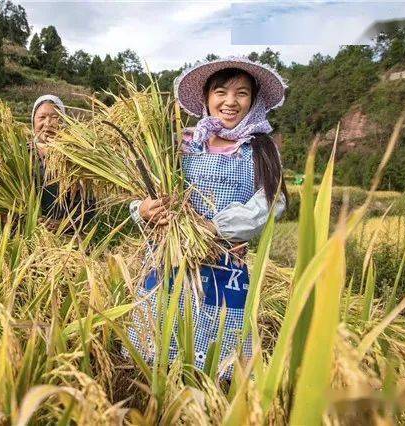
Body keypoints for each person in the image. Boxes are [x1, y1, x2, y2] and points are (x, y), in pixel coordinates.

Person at [126, 57, 288, 380]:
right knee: (157, 359)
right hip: (170, 263)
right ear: (206, 97)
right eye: (221, 92)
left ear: (254, 100)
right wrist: (143, 209)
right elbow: (141, 189)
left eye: (242, 93)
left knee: (216, 369)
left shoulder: (261, 150)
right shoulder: (182, 144)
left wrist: (216, 227)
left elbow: (272, 203)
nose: (230, 101)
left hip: (222, 268)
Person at [31, 95, 95, 230]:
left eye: (55, 117)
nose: (48, 123)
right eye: (42, 117)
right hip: (24, 235)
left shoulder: (75, 157)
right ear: (33, 122)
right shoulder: (21, 154)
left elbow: (88, 206)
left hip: (66, 240)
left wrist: (62, 225)